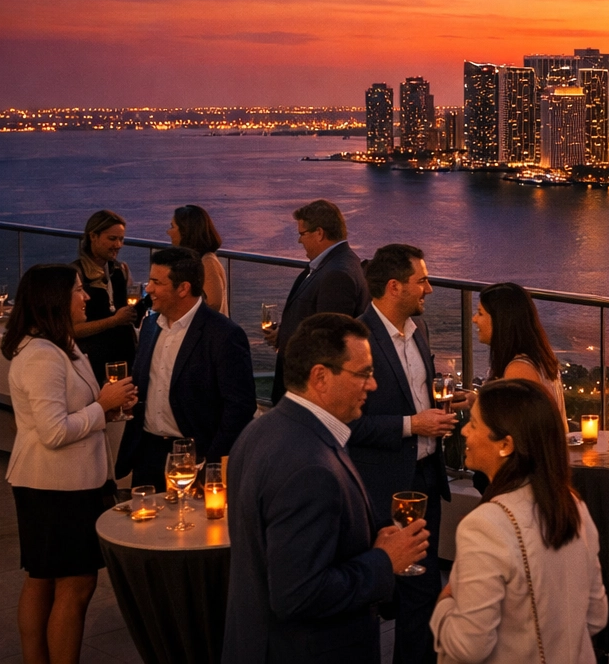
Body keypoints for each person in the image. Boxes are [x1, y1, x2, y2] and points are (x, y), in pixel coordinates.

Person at [223, 312, 429, 664]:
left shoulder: (260, 431)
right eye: (363, 373)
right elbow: (298, 595)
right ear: (320, 377)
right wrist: (384, 561)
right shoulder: (309, 467)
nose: (373, 385)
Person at [2, 263, 137, 664]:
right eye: (78, 290)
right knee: (74, 585)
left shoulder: (60, 345)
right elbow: (54, 432)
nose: (86, 297)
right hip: (57, 486)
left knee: (42, 579)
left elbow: (68, 413)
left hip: (59, 482)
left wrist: (107, 411)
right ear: (55, 300)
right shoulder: (43, 355)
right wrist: (102, 406)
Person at [431, 379, 608, 663]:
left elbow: (467, 647)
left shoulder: (485, 525)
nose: (464, 431)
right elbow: (596, 617)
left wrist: (443, 606)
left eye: (474, 424)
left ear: (505, 444)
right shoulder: (573, 507)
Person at [349, 244, 457, 664]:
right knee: (387, 588)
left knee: (422, 590)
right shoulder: (356, 339)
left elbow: (416, 396)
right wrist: (414, 425)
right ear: (394, 287)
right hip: (382, 486)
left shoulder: (419, 331)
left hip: (426, 476)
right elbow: (348, 423)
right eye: (422, 281)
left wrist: (449, 404)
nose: (429, 289)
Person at [115, 247, 256, 492]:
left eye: (156, 282)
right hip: (147, 454)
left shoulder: (223, 334)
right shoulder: (149, 325)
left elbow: (240, 408)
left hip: (194, 457)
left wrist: (210, 464)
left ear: (183, 288)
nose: (148, 289)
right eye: (150, 280)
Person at [270, 199, 369, 403]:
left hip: (308, 393)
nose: (299, 241)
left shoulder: (337, 274)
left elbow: (328, 342)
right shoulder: (337, 264)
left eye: (302, 234)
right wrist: (284, 334)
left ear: (319, 233)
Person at [474, 282, 567, 426]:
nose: (474, 319)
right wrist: (477, 400)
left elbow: (516, 431)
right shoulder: (536, 356)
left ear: (501, 320)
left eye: (480, 313)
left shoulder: (519, 369)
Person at [71, 209, 138, 386]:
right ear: (93, 236)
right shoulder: (76, 275)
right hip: (93, 361)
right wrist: (113, 321)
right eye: (112, 239)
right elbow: (72, 329)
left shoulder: (121, 270)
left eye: (121, 239)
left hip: (124, 356)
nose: (118, 245)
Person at [169, 204, 228, 314]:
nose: (168, 232)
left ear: (185, 232)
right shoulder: (192, 261)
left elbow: (213, 304)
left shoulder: (207, 262)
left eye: (172, 227)